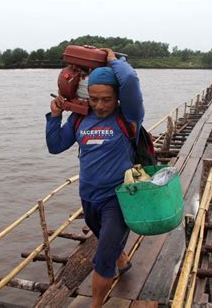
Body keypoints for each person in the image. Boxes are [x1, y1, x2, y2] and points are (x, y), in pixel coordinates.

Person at [45, 48, 144, 308]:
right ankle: (122, 260)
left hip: (118, 199)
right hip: (88, 198)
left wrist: (115, 61)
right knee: (104, 238)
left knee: (102, 258)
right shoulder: (80, 120)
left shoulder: (128, 117)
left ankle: (96, 304)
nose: (99, 106)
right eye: (94, 99)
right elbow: (55, 146)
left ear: (118, 98)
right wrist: (55, 117)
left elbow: (131, 81)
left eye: (106, 99)